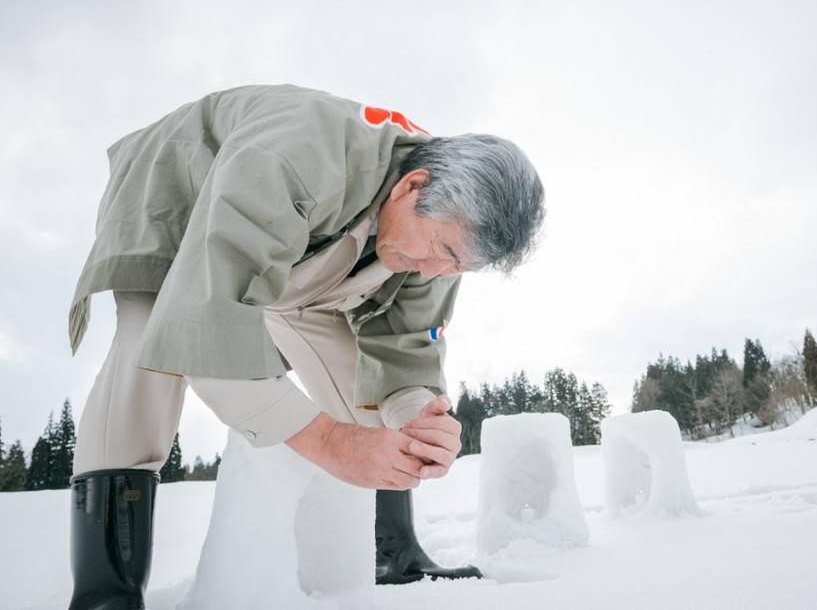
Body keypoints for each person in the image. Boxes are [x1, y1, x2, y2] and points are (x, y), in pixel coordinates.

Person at [66, 84, 545, 608]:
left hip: (304, 242)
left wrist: (416, 417)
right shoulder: (290, 162)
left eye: (459, 266)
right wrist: (326, 441)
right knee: (148, 347)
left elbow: (403, 345)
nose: (438, 272)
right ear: (413, 186)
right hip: (176, 195)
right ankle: (106, 592)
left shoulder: (442, 233)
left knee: (361, 401)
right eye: (443, 252)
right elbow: (209, 315)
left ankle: (392, 552)